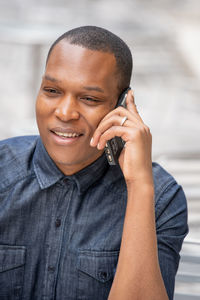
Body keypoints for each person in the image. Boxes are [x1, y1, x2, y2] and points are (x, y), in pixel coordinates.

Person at [0, 26, 188, 300]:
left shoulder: (162, 199)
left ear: (122, 106)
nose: (64, 113)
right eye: (52, 90)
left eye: (89, 98)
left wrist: (139, 186)